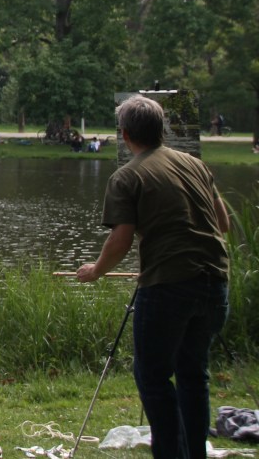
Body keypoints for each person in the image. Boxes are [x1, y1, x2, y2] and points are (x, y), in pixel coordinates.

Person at [76, 95, 230, 459]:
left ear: (125, 134)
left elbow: (121, 238)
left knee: (153, 377)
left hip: (168, 287)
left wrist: (96, 271)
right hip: (215, 282)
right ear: (162, 130)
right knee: (194, 374)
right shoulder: (194, 165)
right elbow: (222, 224)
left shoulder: (127, 176)